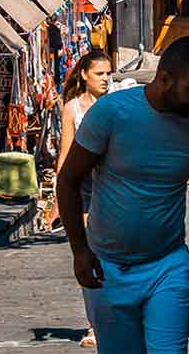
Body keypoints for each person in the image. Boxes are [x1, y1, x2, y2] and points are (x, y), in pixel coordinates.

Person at [56, 35, 189, 354]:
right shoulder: (112, 114)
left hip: (167, 267)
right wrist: (80, 250)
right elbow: (68, 180)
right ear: (164, 79)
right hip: (108, 270)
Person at [50, 50, 113, 348]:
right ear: (85, 75)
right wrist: (57, 199)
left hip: (112, 189)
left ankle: (115, 317)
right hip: (84, 190)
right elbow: (64, 155)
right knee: (88, 253)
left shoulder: (116, 106)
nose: (105, 79)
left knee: (112, 255)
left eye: (109, 73)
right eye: (99, 73)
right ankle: (94, 324)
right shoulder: (72, 109)